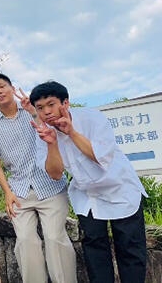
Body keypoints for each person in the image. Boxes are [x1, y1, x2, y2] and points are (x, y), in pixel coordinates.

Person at [30, 81, 148, 283]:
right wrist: (52, 144)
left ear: (65, 103)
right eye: (40, 108)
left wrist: (71, 133)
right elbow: (55, 173)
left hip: (120, 189)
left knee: (130, 248)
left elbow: (100, 157)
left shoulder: (92, 118)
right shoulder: (43, 132)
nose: (46, 112)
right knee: (94, 248)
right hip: (88, 195)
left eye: (51, 104)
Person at [0, 73, 76, 283]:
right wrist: (7, 192)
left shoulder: (33, 110)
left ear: (11, 88)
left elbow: (52, 132)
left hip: (51, 186)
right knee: (25, 241)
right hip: (19, 190)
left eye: (2, 86)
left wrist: (34, 112)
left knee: (55, 238)